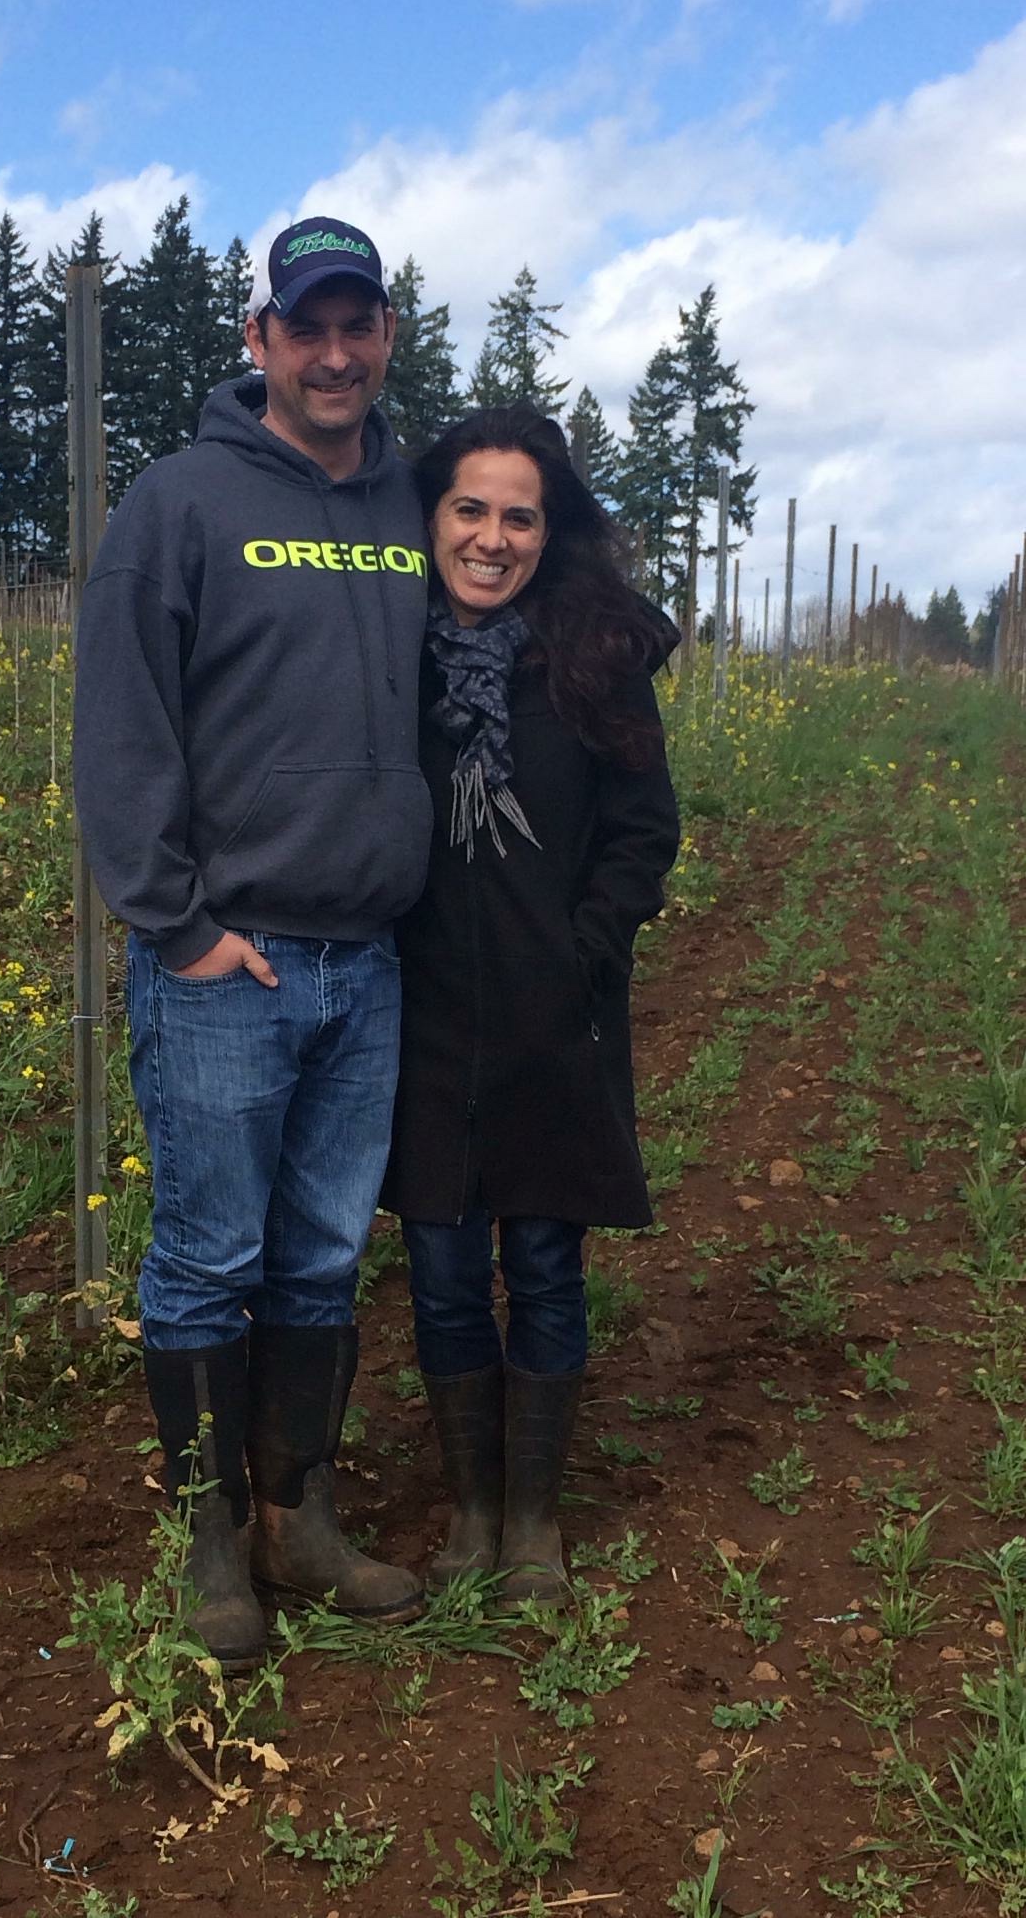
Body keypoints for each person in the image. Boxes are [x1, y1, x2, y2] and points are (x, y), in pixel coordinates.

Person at [73, 216, 434, 1669]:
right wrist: (178, 927)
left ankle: (299, 1515)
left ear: (385, 336)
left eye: (357, 323)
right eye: (306, 326)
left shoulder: (418, 502)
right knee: (208, 1257)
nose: (333, 351)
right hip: (233, 963)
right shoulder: (180, 502)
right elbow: (121, 727)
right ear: (259, 341)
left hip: (367, 959)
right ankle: (209, 1534)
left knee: (321, 1256)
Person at [381, 404, 680, 1606]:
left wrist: (583, 949)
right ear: (429, 517)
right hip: (421, 1013)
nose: (491, 538)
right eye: (469, 509)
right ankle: (466, 1506)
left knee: (546, 1264)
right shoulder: (385, 650)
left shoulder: (592, 654)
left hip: (557, 1014)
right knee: (444, 1268)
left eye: (518, 515)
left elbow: (641, 829)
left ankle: (533, 1519)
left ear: (547, 532)